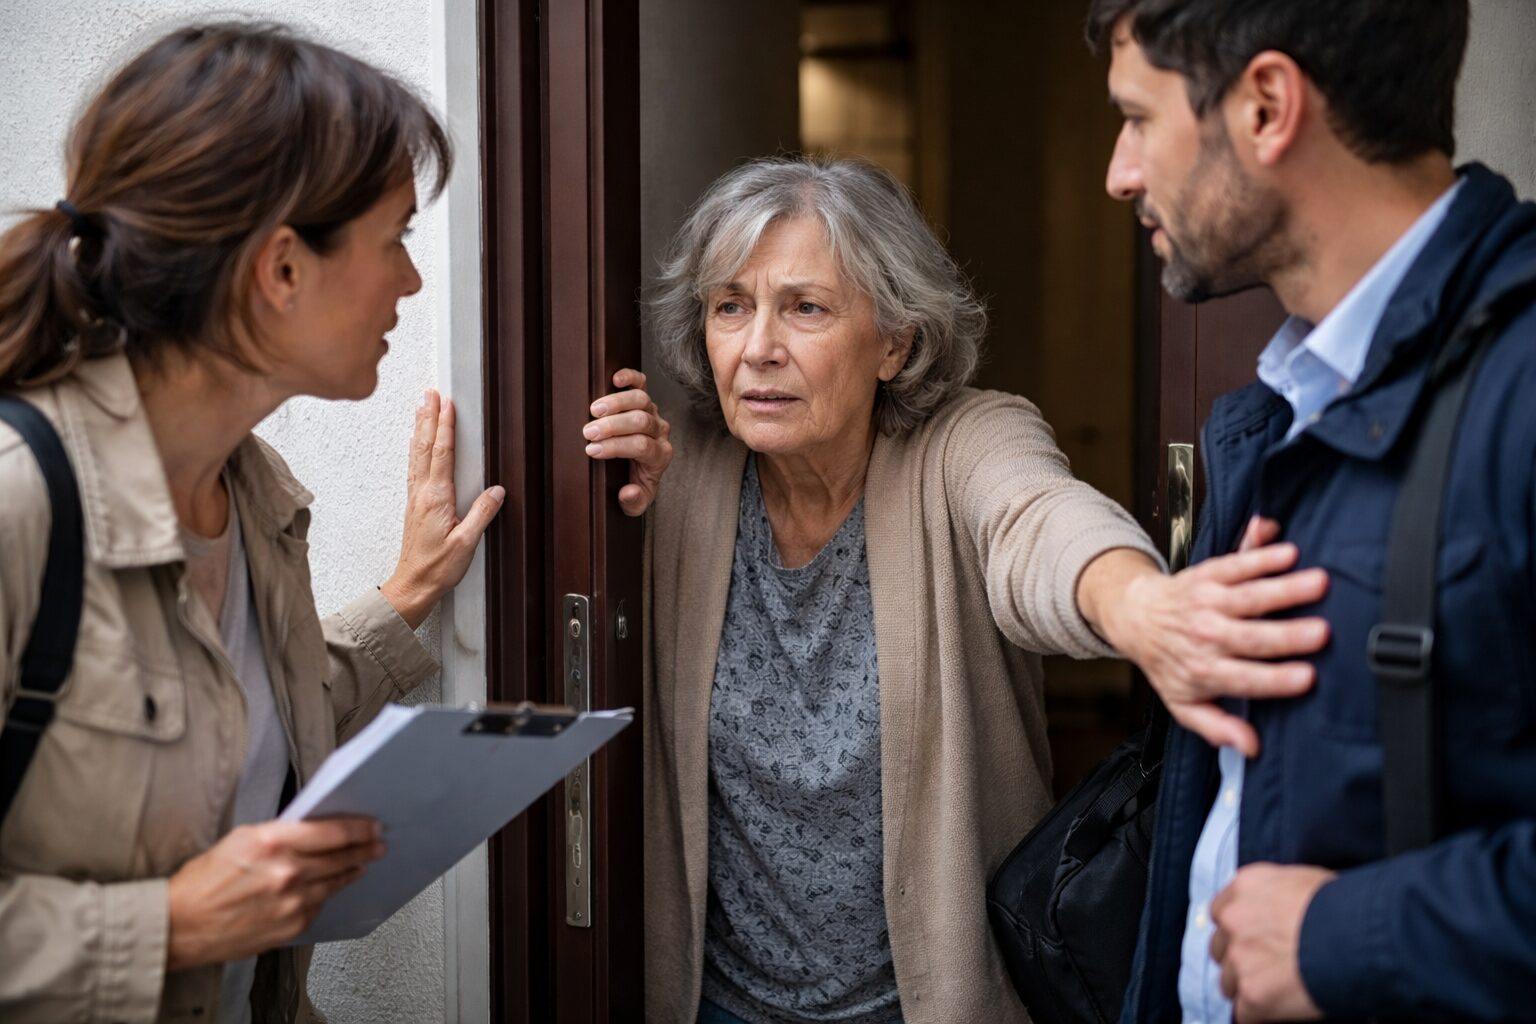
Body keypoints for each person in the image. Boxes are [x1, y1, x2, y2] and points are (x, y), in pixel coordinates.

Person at [582, 155, 1326, 1024]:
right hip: (722, 1005)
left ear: (895, 342)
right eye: (730, 307)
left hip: (932, 1002)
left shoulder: (968, 442)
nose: (758, 349)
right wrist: (600, 491)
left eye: (806, 308)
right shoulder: (686, 475)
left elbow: (1036, 521)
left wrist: (1139, 603)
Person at [0, 23, 502, 1024]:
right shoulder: (20, 500)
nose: (411, 279)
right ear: (281, 270)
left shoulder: (254, 491)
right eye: (395, 236)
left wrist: (410, 597)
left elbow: (249, 710)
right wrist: (173, 926)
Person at [1085, 0, 1536, 1020]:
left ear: (1267, 107)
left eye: (1138, 118)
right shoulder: (1274, 419)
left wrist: (1344, 938)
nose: (1119, 172)